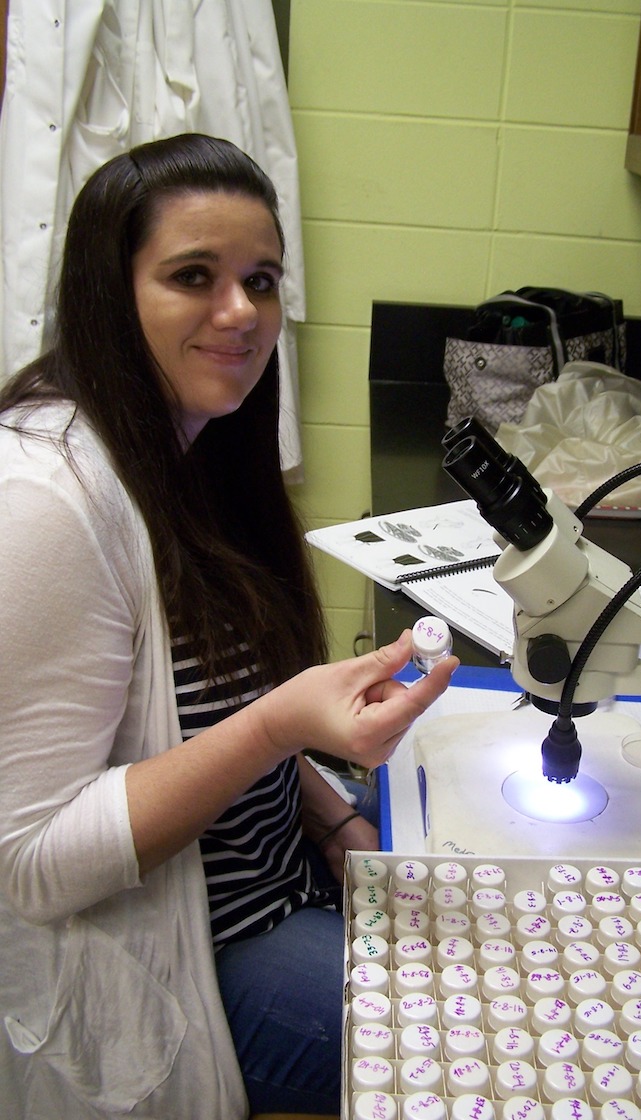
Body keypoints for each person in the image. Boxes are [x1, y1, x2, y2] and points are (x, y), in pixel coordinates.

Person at [0, 133, 458, 1119]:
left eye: (261, 279)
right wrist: (281, 725)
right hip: (187, 952)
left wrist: (331, 814)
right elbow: (30, 865)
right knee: (474, 1035)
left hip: (281, 874)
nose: (240, 313)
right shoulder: (44, 502)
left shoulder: (196, 446)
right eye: (192, 276)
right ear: (107, 292)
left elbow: (213, 709)